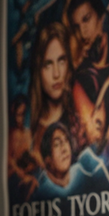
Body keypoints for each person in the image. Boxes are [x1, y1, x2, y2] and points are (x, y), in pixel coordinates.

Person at [29, 21, 83, 166]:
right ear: (38, 70)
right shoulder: (31, 129)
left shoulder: (79, 116)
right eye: (48, 64)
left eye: (61, 61)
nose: (56, 74)